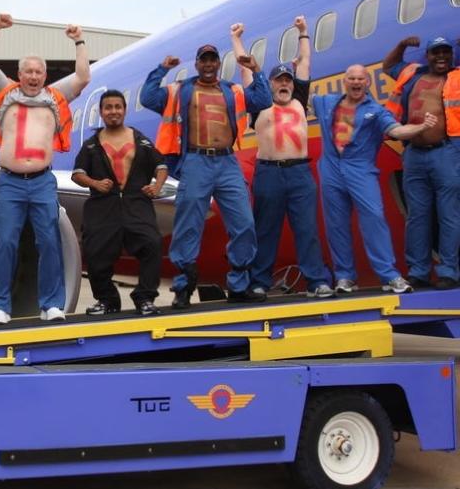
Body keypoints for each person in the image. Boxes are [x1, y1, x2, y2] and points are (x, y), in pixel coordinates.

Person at [140, 25, 272, 308]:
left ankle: (238, 283)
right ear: (197, 64)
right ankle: (184, 285)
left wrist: (257, 69)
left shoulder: (232, 90)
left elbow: (263, 99)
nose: (209, 64)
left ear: (218, 63)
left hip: (226, 161)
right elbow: (148, 98)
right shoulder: (181, 90)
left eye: (213, 59)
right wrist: (161, 69)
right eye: (204, 60)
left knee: (245, 222)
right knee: (189, 225)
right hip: (196, 160)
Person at [0, 15, 91, 325]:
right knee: (5, 242)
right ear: (19, 74)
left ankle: (51, 304)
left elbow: (83, 77)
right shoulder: (6, 93)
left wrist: (79, 40)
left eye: (38, 71)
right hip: (10, 182)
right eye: (28, 71)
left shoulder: (54, 97)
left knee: (49, 241)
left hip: (42, 180)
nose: (33, 76)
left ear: (45, 75)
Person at [312, 64, 437, 294]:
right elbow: (300, 92)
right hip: (331, 169)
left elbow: (397, 132)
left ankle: (389, 275)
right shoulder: (326, 102)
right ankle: (344, 277)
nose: (356, 82)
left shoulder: (376, 111)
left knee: (374, 218)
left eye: (361, 78)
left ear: (367, 82)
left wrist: (420, 127)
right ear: (345, 81)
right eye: (352, 78)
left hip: (360, 170)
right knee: (336, 225)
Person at [240, 17, 334, 298]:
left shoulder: (299, 101)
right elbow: (246, 72)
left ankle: (316, 281)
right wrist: (237, 38)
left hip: (300, 174)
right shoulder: (259, 105)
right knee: (265, 230)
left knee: (307, 229)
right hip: (268, 173)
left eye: (287, 80)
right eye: (279, 80)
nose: (284, 83)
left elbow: (304, 63)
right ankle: (259, 282)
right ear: (269, 84)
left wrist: (304, 32)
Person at [72, 90, 167, 316]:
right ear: (102, 112)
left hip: (137, 203)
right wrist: (95, 183)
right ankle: (107, 300)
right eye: (108, 107)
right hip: (102, 206)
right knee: (95, 253)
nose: (113, 111)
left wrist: (157, 186)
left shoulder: (141, 140)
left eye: (118, 107)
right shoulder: (92, 144)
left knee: (152, 244)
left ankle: (145, 298)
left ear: (124, 110)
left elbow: (161, 166)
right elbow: (77, 173)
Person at [383, 35, 460, 290]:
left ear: (452, 55)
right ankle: (418, 272)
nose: (441, 57)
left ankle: (448, 271)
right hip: (414, 154)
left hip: (445, 153)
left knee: (449, 214)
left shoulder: (456, 77)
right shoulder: (412, 75)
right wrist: (402, 45)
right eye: (436, 52)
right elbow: (388, 65)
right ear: (427, 56)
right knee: (417, 216)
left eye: (446, 52)